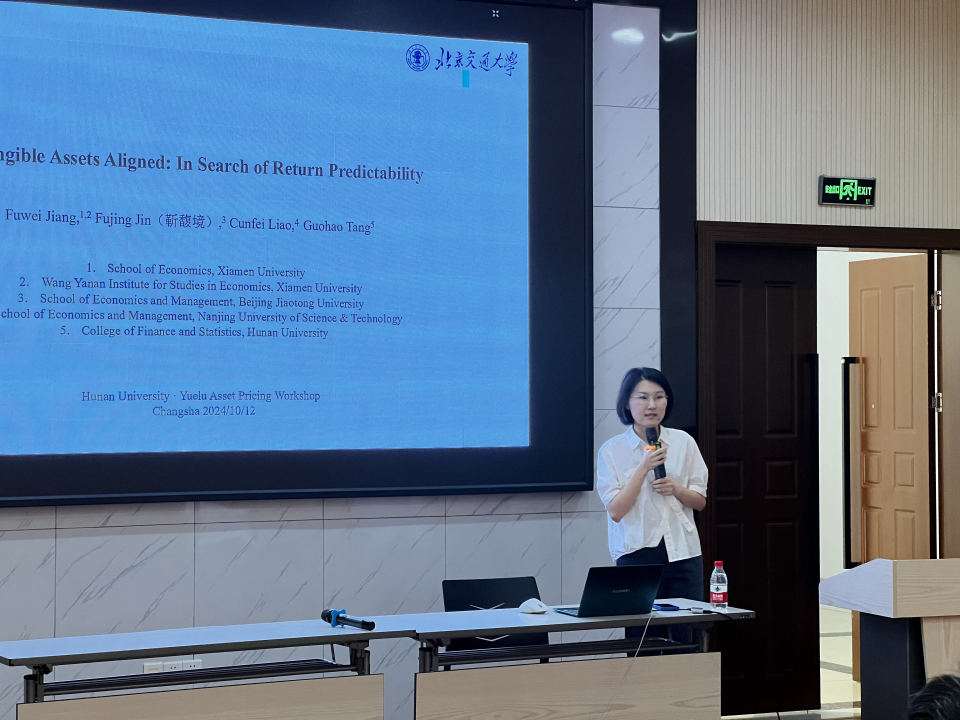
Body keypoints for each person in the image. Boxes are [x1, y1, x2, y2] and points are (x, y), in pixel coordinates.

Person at [596, 367, 708, 647]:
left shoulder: (683, 442)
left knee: (688, 639)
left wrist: (676, 489)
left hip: (683, 553)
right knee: (642, 641)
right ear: (627, 403)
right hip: (637, 554)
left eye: (659, 397)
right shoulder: (612, 450)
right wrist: (643, 468)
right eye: (643, 397)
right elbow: (616, 511)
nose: (652, 405)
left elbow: (700, 501)